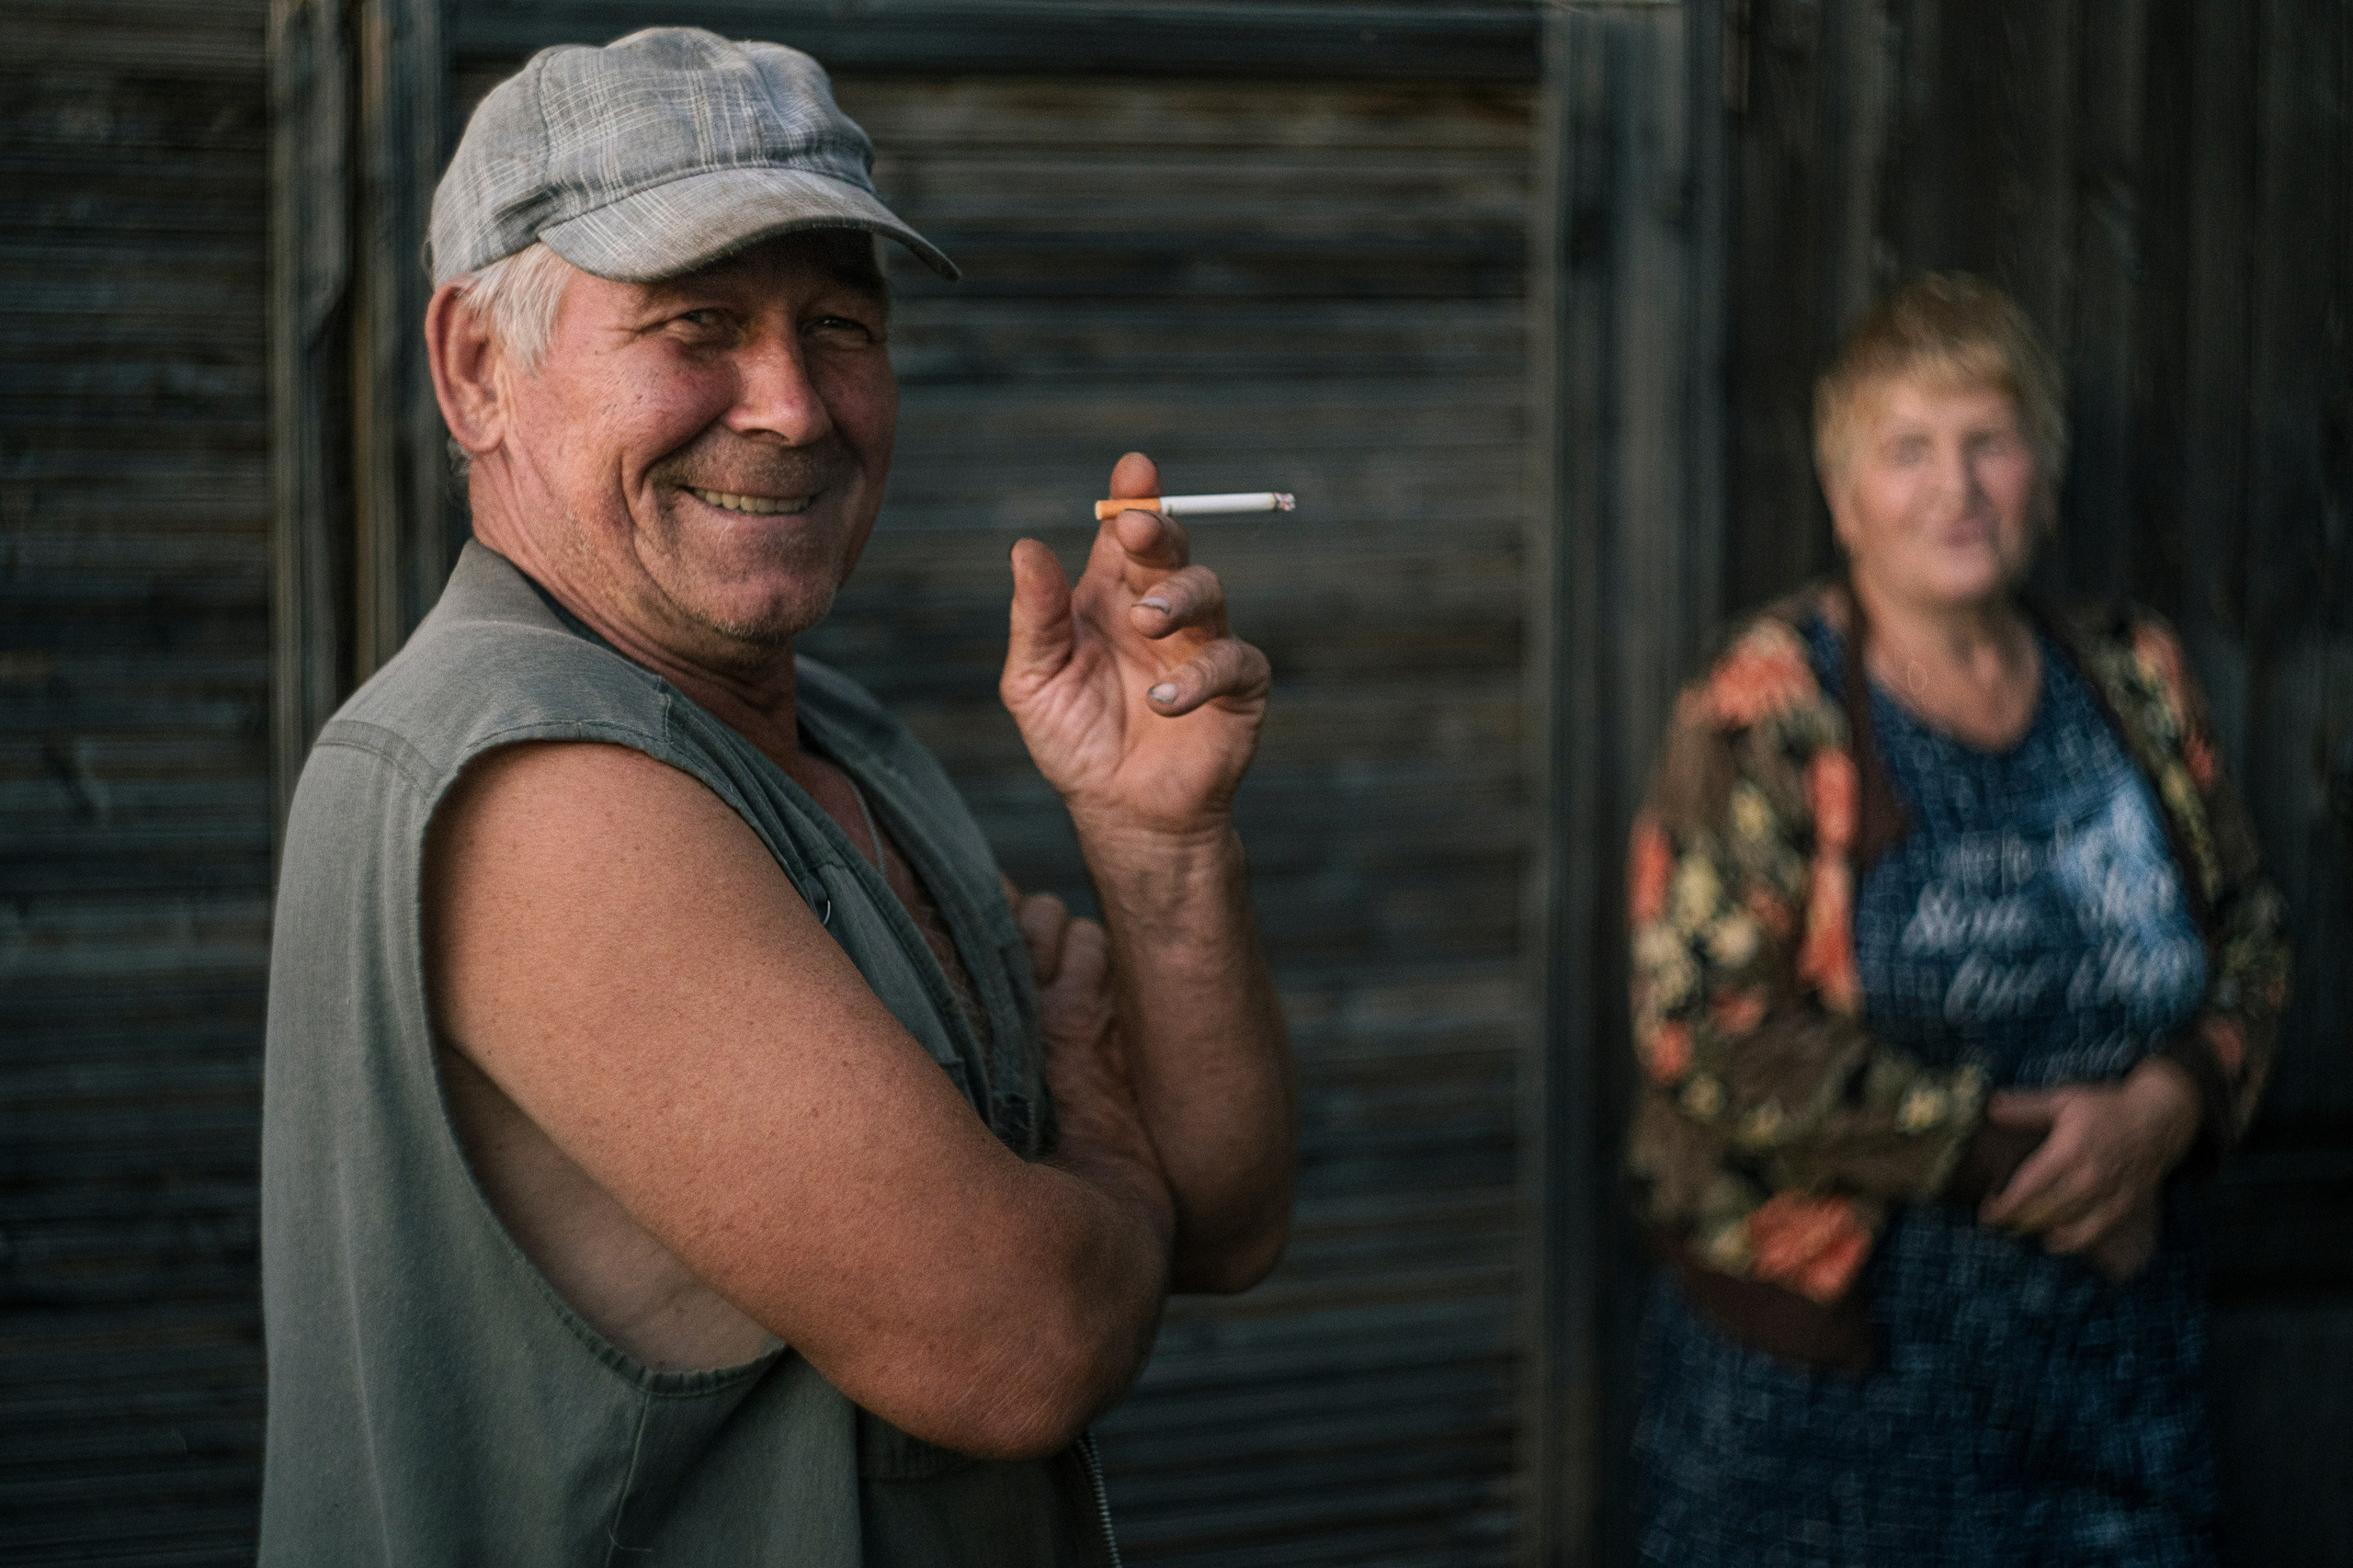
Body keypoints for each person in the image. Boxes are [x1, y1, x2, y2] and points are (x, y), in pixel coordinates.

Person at [258, 28, 1294, 1566]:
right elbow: (1023, 1340)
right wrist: (1097, 1142)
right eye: (695, 325)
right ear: (479, 367)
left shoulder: (842, 744)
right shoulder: (529, 779)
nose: (796, 407)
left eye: (839, 327)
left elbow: (1226, 1223)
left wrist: (1159, 842)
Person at [1625, 274, 2290, 1564]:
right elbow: (1705, 1031)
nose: (1957, 486)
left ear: (2044, 469)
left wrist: (2170, 1105)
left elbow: (2253, 932)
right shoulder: (1766, 698)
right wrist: (2040, 1164)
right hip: (1820, 1400)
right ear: (1844, 495)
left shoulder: (2137, 675)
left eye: (1990, 440)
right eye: (1909, 449)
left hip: (2117, 1374)